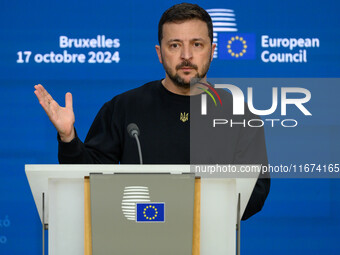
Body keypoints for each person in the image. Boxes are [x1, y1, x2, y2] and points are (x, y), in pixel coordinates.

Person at [34, 3, 270, 220]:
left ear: (212, 50)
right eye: (175, 45)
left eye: (197, 44)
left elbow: (255, 191)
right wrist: (68, 138)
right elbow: (88, 180)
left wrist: (188, 209)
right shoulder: (124, 107)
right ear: (159, 53)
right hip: (134, 238)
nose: (186, 56)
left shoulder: (240, 115)